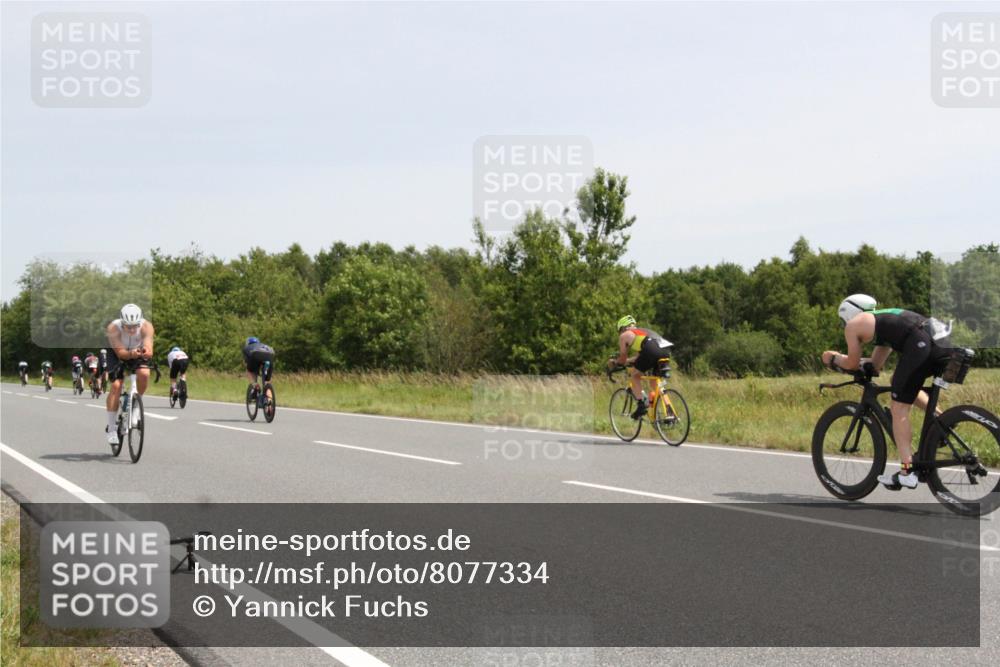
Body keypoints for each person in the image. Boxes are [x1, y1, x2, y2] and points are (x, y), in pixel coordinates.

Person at [821, 294, 952, 490]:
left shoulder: (854, 325)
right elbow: (875, 366)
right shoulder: (882, 322)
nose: (844, 325)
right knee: (900, 384)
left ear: (848, 313)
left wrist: (833, 359)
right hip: (941, 341)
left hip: (922, 343)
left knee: (898, 407)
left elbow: (852, 363)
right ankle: (943, 421)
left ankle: (907, 471)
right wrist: (865, 365)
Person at [105, 304, 155, 446]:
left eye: (135, 326)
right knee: (116, 385)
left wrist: (145, 350)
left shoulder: (147, 326)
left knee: (144, 373)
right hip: (116, 353)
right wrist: (131, 354)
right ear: (122, 323)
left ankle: (136, 406)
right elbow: (121, 353)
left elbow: (149, 348)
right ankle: (112, 428)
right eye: (128, 326)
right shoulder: (113, 328)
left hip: (136, 351)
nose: (132, 329)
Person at [607, 315, 673, 419]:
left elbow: (622, 359)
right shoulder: (642, 332)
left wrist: (615, 362)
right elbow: (639, 357)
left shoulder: (625, 335)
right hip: (665, 350)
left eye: (619, 331)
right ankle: (670, 412)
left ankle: (642, 405)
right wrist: (629, 361)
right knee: (654, 382)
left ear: (622, 328)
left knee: (634, 375)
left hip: (651, 350)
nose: (620, 334)